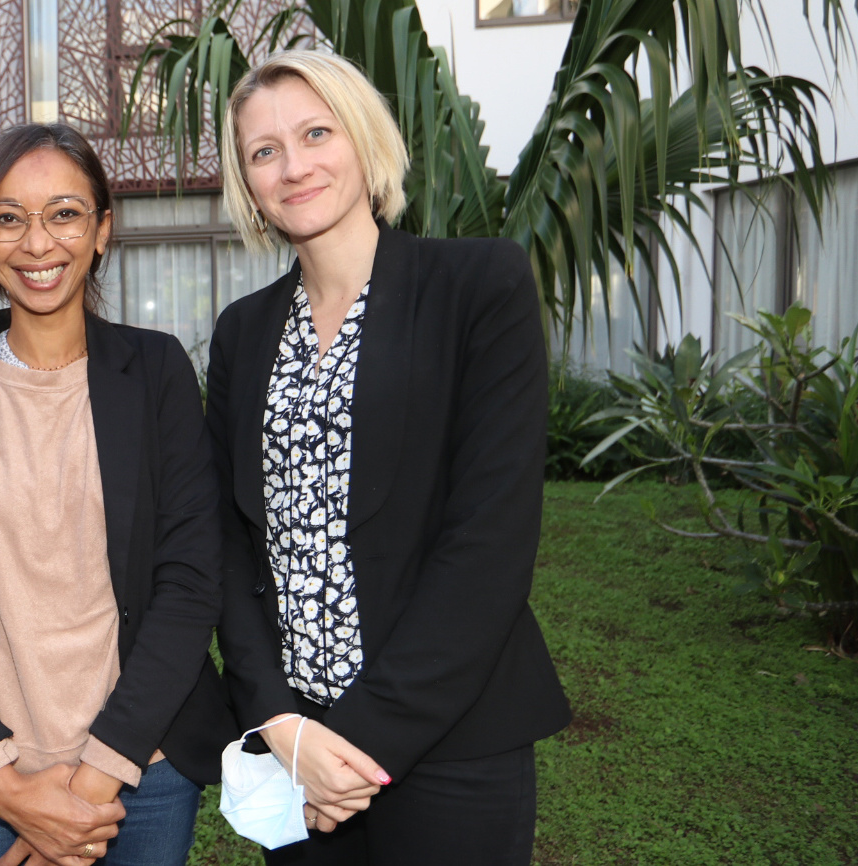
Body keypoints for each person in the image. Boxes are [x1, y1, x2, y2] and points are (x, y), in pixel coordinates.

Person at [207, 50, 572, 864]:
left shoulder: (478, 288)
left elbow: (490, 542)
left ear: (365, 142)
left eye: (315, 133)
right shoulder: (241, 333)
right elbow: (229, 543)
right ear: (247, 182)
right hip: (299, 747)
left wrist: (358, 748)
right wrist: (281, 723)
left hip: (451, 741)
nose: (294, 166)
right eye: (264, 151)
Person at [0, 122, 233, 866]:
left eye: (65, 214)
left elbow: (191, 582)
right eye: (8, 218)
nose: (37, 243)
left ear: (103, 229)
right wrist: (4, 785)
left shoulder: (159, 371)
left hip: (144, 766)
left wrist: (96, 781)